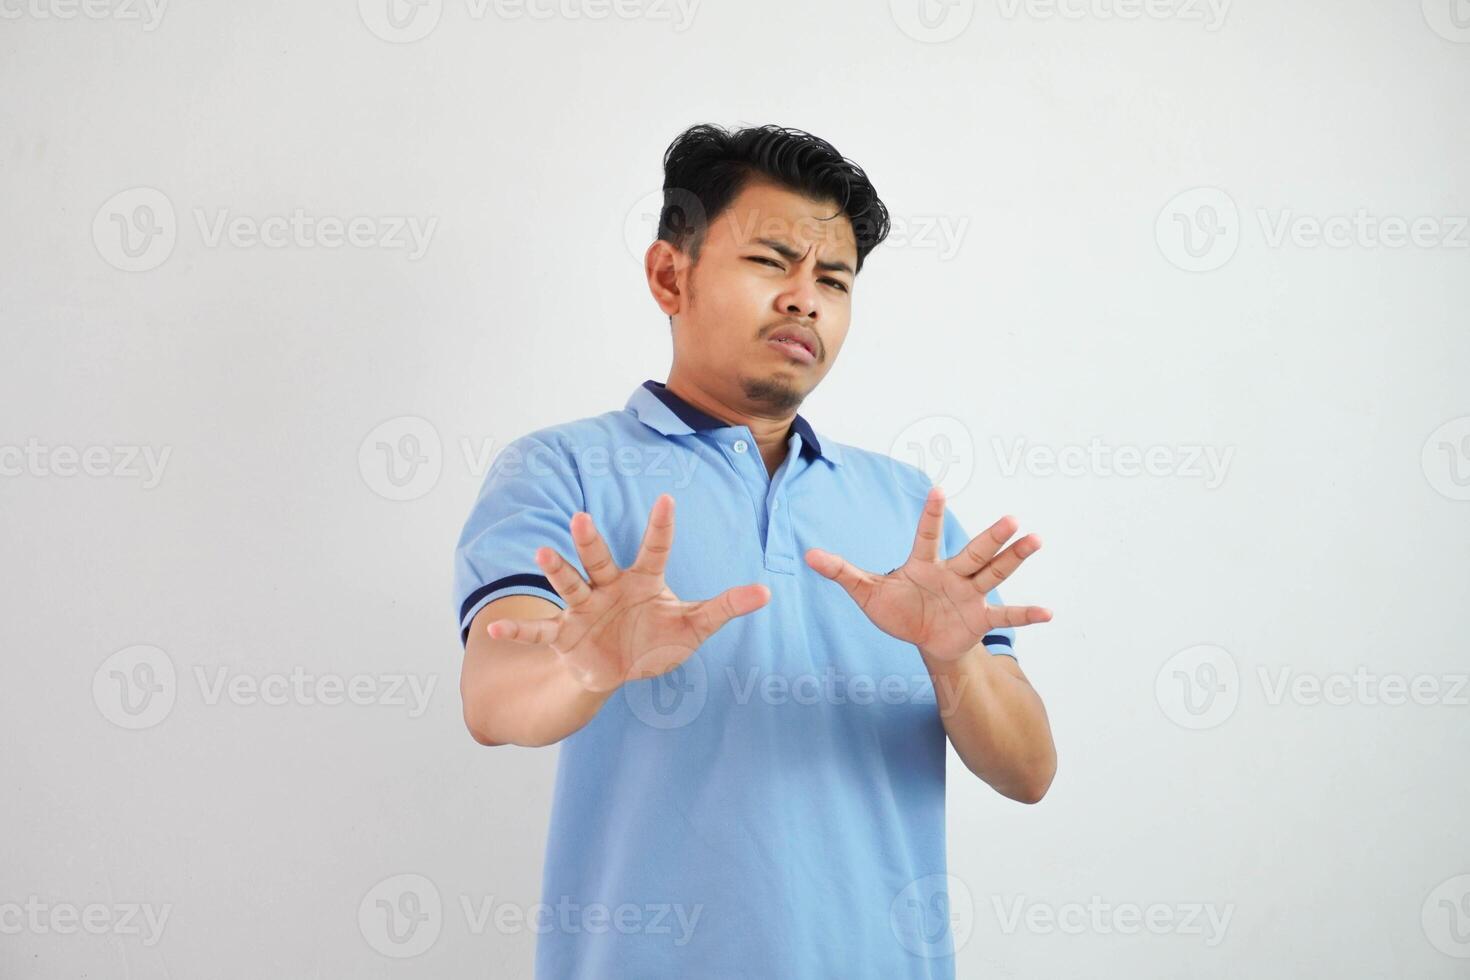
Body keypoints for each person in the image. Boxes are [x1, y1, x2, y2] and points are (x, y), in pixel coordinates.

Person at [452, 122, 1056, 979]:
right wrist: (587, 667)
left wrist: (954, 664)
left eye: (834, 280)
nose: (806, 298)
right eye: (772, 262)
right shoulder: (562, 471)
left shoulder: (906, 510)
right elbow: (492, 699)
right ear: (671, 274)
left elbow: (1029, 771)